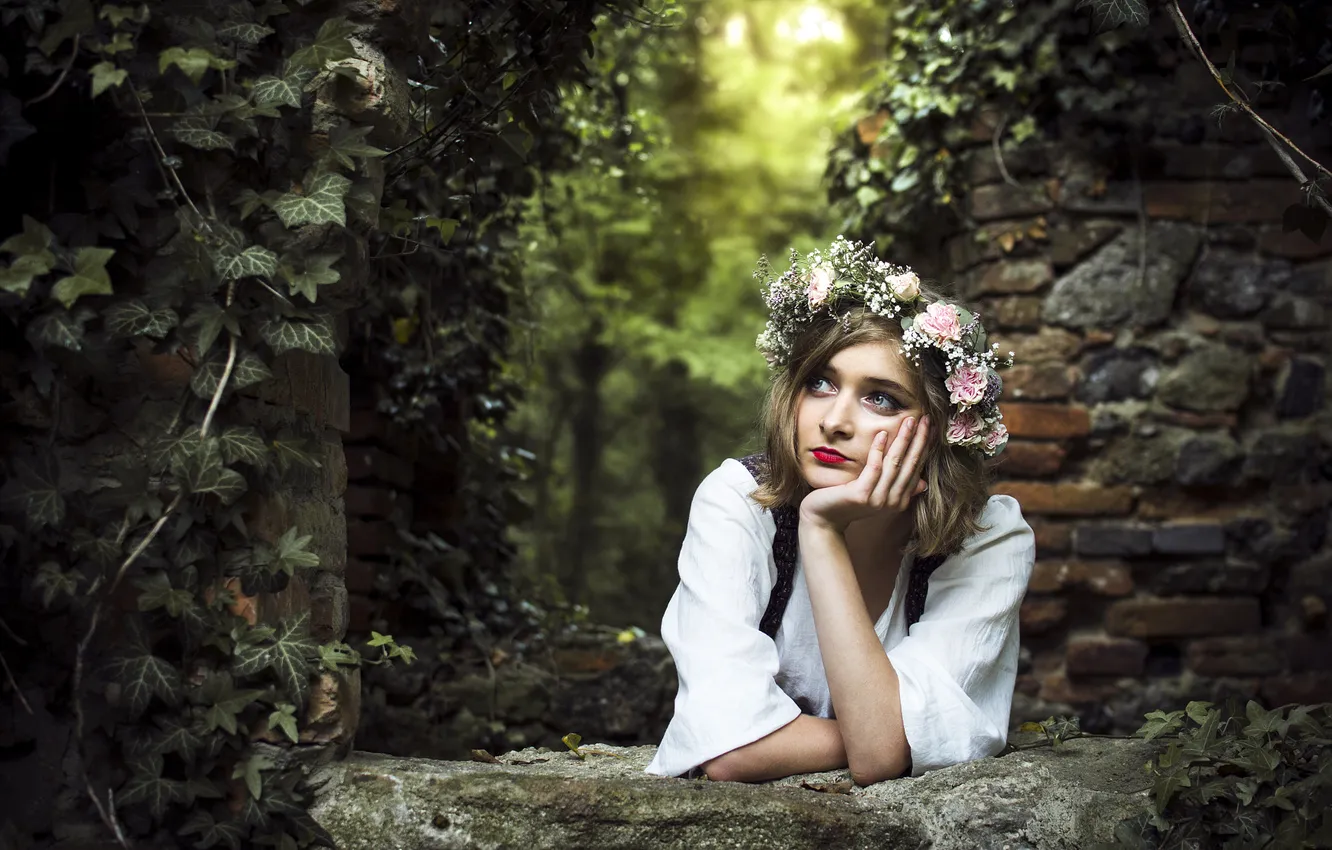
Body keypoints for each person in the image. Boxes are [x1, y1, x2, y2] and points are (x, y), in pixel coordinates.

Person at [645, 236, 1035, 785]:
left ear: (942, 428)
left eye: (882, 398)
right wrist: (891, 732)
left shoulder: (989, 537)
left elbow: (875, 756)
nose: (835, 420)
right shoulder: (740, 501)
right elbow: (732, 754)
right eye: (820, 384)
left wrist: (823, 529)